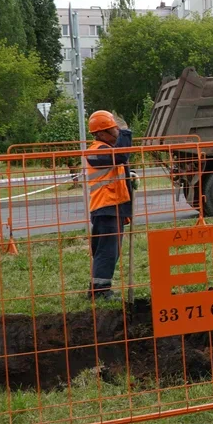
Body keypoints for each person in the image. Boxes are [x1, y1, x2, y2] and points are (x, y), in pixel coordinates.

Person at [84, 110, 132, 300]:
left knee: (109, 251)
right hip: (105, 207)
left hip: (114, 206)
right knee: (107, 251)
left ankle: (97, 287)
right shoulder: (96, 151)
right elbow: (121, 156)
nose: (116, 135)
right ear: (101, 133)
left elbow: (120, 162)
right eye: (113, 131)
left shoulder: (107, 150)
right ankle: (100, 291)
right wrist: (126, 133)